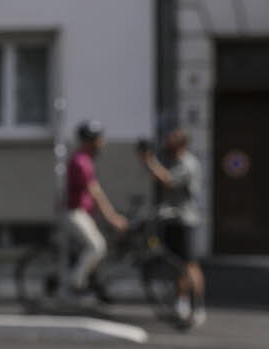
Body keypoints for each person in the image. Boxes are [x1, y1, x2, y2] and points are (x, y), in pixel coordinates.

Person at [139, 128, 205, 325]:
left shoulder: (188, 163)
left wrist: (150, 161)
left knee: (189, 264)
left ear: (182, 143)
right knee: (175, 264)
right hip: (170, 220)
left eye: (172, 139)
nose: (167, 142)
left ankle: (198, 305)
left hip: (185, 220)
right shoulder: (170, 161)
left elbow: (168, 180)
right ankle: (182, 301)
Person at [65, 121, 128, 296]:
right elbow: (95, 192)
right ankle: (75, 284)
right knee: (97, 246)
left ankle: (91, 282)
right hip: (74, 212)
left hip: (83, 212)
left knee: (96, 247)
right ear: (90, 141)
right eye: (99, 139)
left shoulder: (84, 160)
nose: (103, 142)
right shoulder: (81, 162)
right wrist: (113, 217)